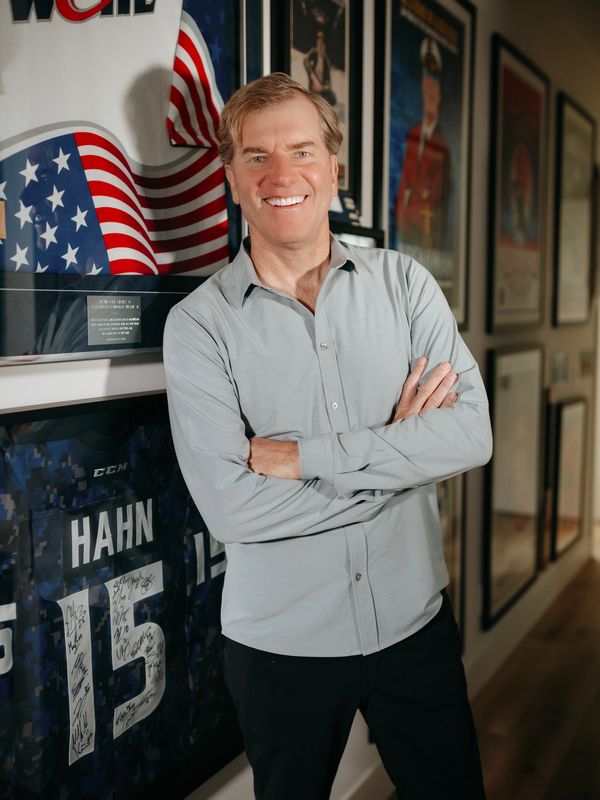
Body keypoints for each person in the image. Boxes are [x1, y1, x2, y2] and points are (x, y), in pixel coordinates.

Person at [163, 72, 491, 800]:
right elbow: (233, 511)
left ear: (333, 169)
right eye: (257, 157)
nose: (283, 175)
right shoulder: (197, 327)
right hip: (282, 648)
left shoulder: (405, 285)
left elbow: (470, 435)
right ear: (232, 177)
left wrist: (307, 458)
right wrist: (402, 456)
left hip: (416, 627)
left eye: (303, 151)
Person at [395, 36, 450, 250]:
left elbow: (437, 201)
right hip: (405, 230)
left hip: (423, 234)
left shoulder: (442, 144)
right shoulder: (414, 134)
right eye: (425, 81)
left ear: (440, 93)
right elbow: (404, 189)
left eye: (434, 83)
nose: (429, 89)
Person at [303, 30, 337, 106]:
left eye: (322, 45)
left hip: (321, 91)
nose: (320, 48)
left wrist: (322, 88)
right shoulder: (314, 53)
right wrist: (313, 76)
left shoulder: (327, 62)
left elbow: (328, 84)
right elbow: (305, 61)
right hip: (312, 89)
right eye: (318, 45)